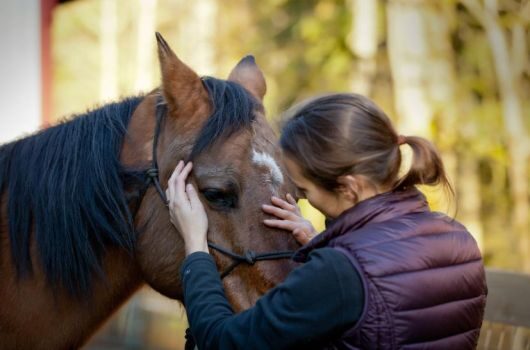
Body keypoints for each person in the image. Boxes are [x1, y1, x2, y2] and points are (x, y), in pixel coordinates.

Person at [167, 93, 487, 349]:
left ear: (349, 187)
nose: (306, 201)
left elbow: (224, 341)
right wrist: (324, 242)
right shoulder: (458, 238)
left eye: (304, 190)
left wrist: (196, 246)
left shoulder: (340, 273)